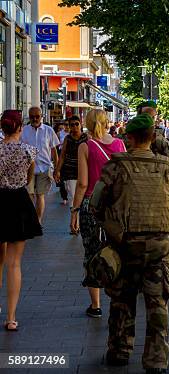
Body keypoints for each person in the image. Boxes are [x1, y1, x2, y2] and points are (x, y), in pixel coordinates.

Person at [94, 114, 169, 373]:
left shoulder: (115, 167)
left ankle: (119, 349)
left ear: (129, 138)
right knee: (158, 305)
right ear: (152, 137)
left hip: (123, 248)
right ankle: (156, 360)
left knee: (121, 302)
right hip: (159, 249)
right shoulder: (168, 168)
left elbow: (95, 205)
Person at [71, 109, 127, 319]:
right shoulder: (120, 145)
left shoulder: (85, 147)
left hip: (91, 205)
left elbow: (83, 183)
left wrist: (74, 211)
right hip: (115, 206)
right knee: (115, 251)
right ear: (106, 122)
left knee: (92, 253)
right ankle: (116, 300)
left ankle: (95, 305)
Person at [0, 110, 43, 331]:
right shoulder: (29, 151)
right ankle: (11, 317)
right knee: (14, 263)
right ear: (19, 127)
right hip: (18, 202)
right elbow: (29, 178)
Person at [21, 107, 60, 224]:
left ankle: (38, 220)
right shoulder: (24, 130)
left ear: (41, 116)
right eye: (32, 116)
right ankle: (31, 219)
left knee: (40, 195)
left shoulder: (48, 130)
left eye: (37, 116)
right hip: (28, 168)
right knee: (29, 195)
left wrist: (57, 170)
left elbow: (54, 151)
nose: (35, 119)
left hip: (44, 167)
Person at [54, 116, 88, 235]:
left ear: (81, 124)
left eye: (76, 124)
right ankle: (75, 223)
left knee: (83, 198)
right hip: (70, 171)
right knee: (73, 197)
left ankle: (78, 222)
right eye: (71, 125)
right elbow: (62, 156)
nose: (74, 127)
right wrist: (57, 170)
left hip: (84, 171)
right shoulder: (68, 139)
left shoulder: (86, 138)